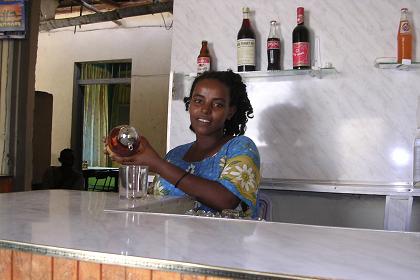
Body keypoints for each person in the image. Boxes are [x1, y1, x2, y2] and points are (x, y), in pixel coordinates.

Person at [107, 70, 260, 217]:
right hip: (169, 240)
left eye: (218, 104)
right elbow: (155, 202)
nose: (205, 110)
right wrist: (132, 159)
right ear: (190, 104)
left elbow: (226, 200)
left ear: (230, 112)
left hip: (222, 243)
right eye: (198, 101)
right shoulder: (175, 155)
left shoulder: (241, 147)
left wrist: (158, 164)